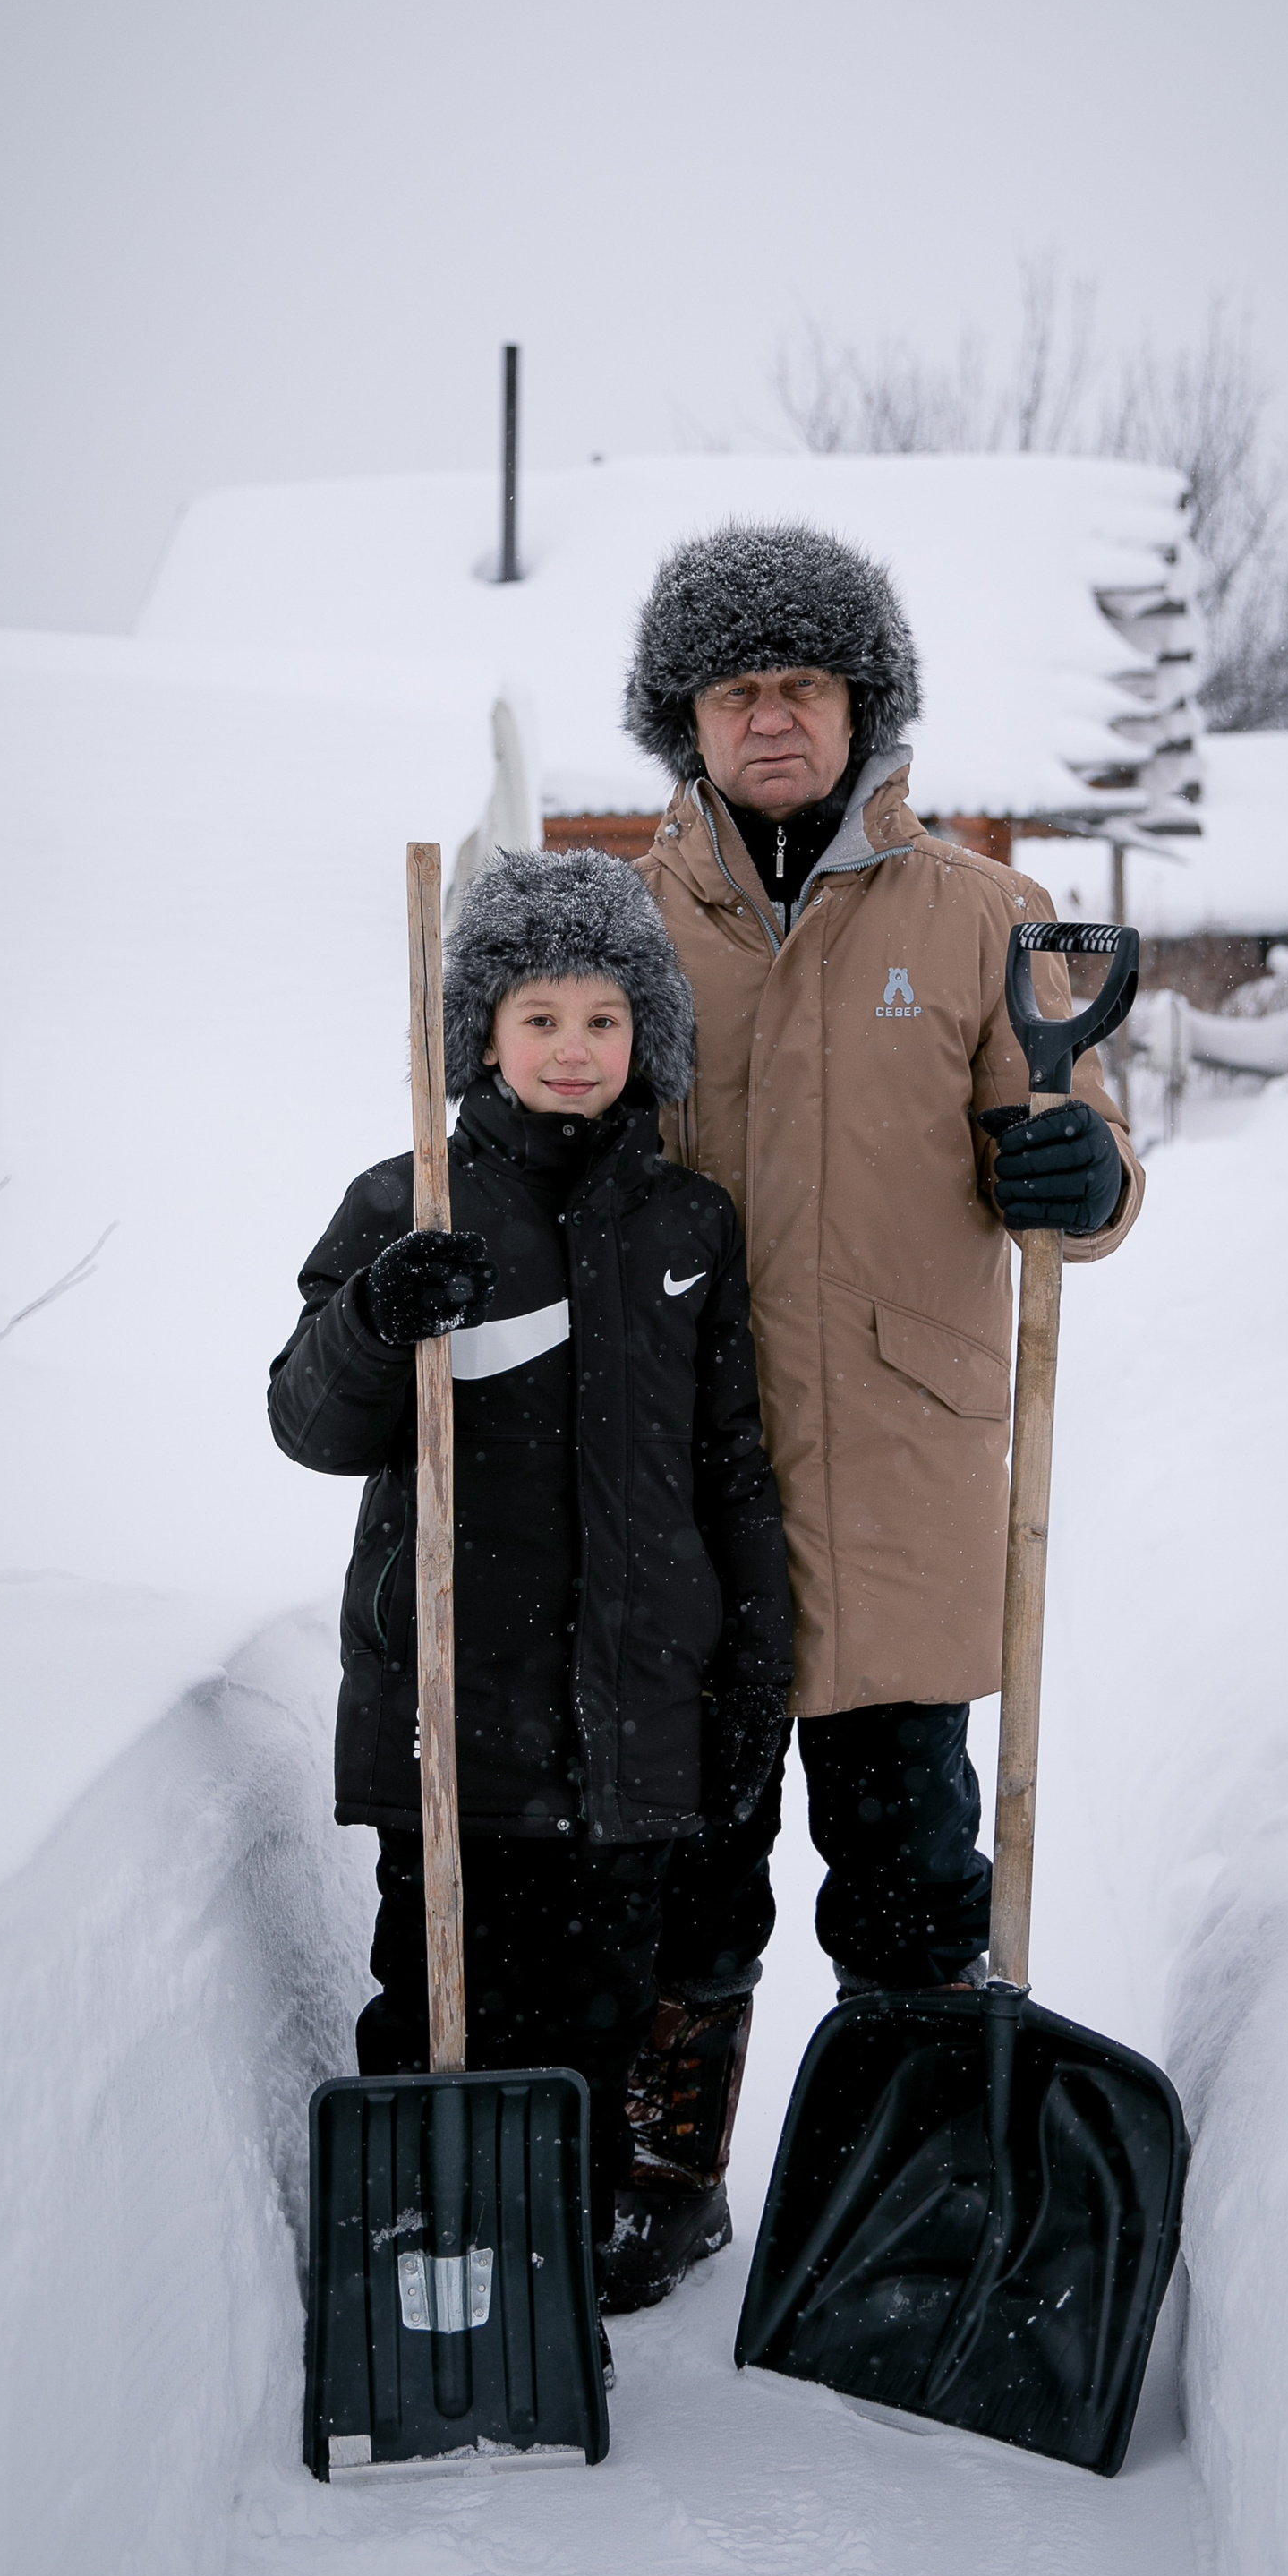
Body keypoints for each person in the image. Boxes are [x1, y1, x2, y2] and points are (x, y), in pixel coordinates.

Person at [617, 519, 1144, 2261]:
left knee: (911, 1863)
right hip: (685, 1492)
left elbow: (1069, 1144)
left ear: (863, 706)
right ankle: (661, 2175)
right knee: (688, 1863)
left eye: (803, 684)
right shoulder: (626, 928)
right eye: (733, 688)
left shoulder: (978, 917)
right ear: (680, 720)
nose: (771, 719)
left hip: (901, 1480)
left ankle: (911, 2186)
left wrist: (1083, 1179)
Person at [267, 848, 794, 2312]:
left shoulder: (691, 1227)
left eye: (605, 1019)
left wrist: (757, 1654)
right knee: (439, 1996)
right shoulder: (408, 1203)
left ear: (649, 1039)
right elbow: (310, 1424)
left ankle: (552, 2263)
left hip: (632, 1724)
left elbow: (732, 1462)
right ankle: (419, 2247)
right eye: (540, 1018)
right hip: (459, 1719)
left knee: (604, 2013)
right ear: (481, 1037)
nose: (575, 1049)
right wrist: (380, 1319)